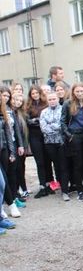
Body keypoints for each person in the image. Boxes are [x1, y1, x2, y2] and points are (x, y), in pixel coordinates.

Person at [39, 92, 70, 201]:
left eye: (54, 99)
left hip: (61, 142)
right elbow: (43, 128)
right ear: (47, 101)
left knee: (63, 166)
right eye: (50, 99)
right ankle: (61, 185)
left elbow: (62, 125)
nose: (52, 101)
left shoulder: (63, 109)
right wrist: (55, 127)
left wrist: (52, 126)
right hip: (49, 143)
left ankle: (65, 191)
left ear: (58, 99)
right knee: (56, 165)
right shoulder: (43, 112)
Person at [26, 85, 55, 198]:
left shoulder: (45, 104)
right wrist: (37, 121)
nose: (35, 95)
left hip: (45, 135)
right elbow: (27, 120)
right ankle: (42, 185)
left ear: (40, 93)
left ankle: (50, 184)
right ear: (30, 95)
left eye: (36, 93)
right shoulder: (28, 106)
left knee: (48, 160)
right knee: (40, 162)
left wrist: (38, 121)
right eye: (32, 93)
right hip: (34, 136)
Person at [0, 89, 20, 218]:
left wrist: (12, 152)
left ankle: (11, 204)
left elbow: (8, 135)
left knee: (4, 179)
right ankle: (2, 207)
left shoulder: (4, 113)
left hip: (4, 150)